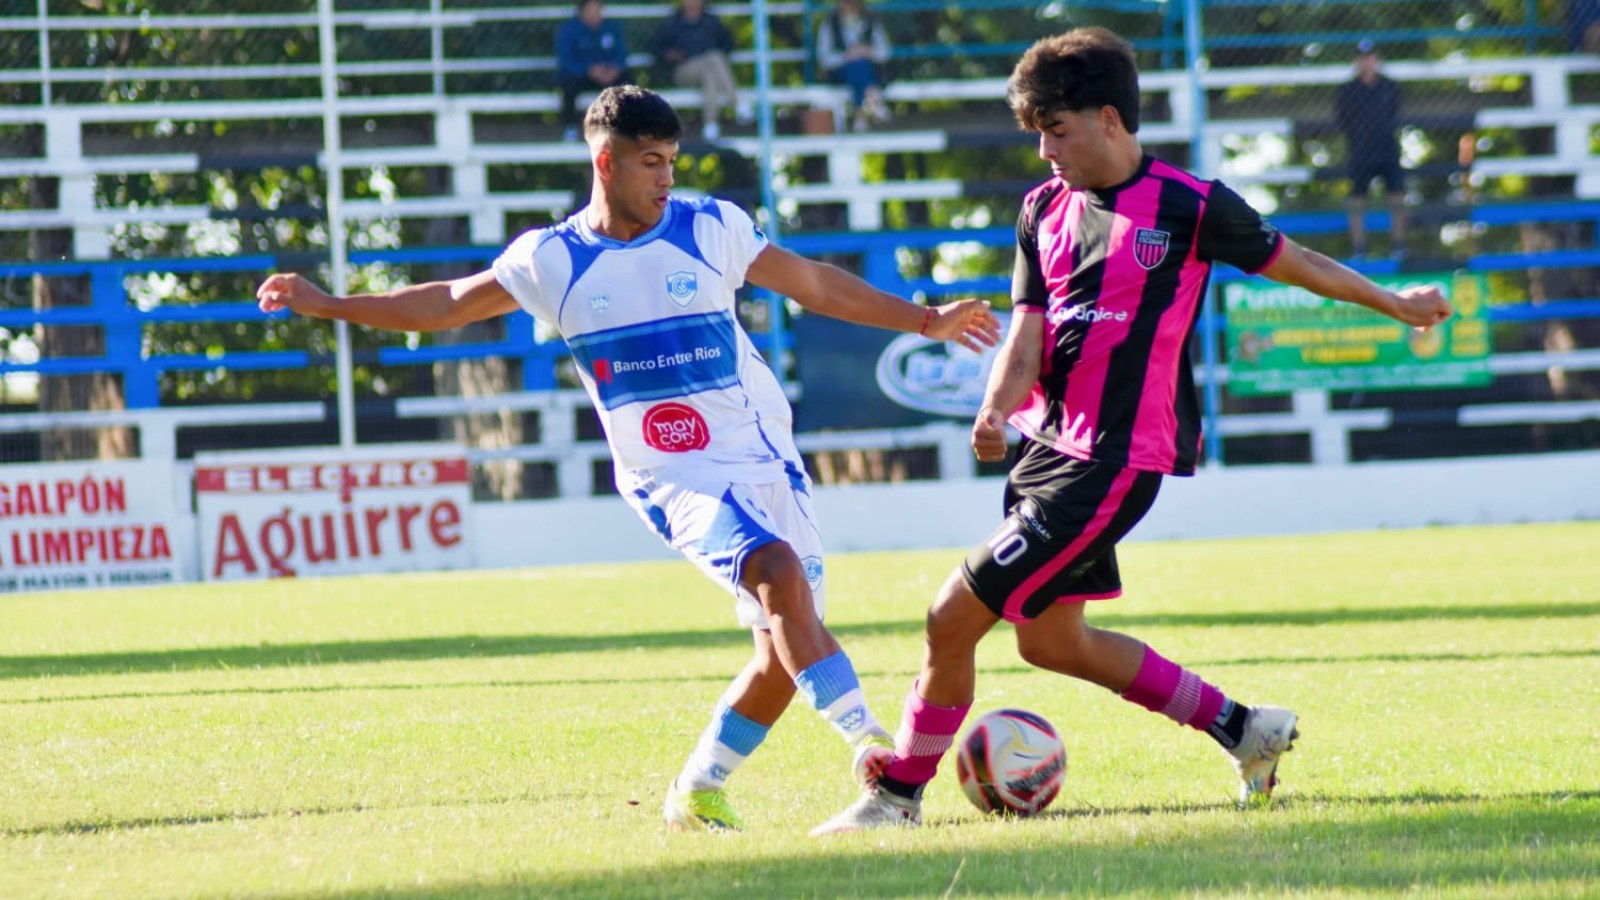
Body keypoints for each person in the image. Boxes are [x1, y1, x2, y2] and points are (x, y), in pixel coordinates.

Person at [256, 85, 1002, 833]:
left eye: (672, 161)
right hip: (671, 475)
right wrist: (329, 304)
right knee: (773, 572)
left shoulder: (711, 227)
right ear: (605, 162)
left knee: (783, 652)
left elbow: (811, 282)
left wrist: (925, 318)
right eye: (652, 162)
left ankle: (696, 791)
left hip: (766, 455)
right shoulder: (552, 259)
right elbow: (447, 302)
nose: (667, 178)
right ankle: (867, 741)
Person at [811, 27, 1453, 834]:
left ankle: (896, 795)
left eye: (1056, 129)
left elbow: (1302, 264)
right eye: (1037, 133)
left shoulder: (1190, 205)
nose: (1045, 150)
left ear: (1108, 118)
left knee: (951, 616)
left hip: (1114, 459)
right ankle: (1243, 728)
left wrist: (1397, 304)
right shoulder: (1042, 208)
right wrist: (996, 406)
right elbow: (1028, 331)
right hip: (1046, 451)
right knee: (1051, 642)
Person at [1336, 39, 1408, 261]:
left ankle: (1398, 245)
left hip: (1387, 148)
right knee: (1357, 198)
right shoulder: (1347, 90)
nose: (1367, 62)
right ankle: (1359, 248)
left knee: (1397, 195)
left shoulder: (1390, 86)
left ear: (1377, 60)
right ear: (1356, 61)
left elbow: (1396, 114)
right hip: (1360, 151)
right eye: (1362, 58)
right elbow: (1343, 121)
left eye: (1371, 57)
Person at [651, 0, 750, 142]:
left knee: (709, 74)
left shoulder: (711, 21)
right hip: (683, 70)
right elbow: (655, 47)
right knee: (714, 57)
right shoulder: (673, 22)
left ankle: (711, 124)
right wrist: (670, 54)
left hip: (709, 70)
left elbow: (729, 43)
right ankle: (737, 103)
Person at [555, 0, 632, 142]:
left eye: (598, 10)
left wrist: (614, 69)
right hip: (582, 76)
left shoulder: (612, 28)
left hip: (608, 75)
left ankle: (628, 127)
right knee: (567, 83)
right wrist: (589, 70)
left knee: (629, 82)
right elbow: (566, 60)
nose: (594, 14)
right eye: (590, 10)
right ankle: (570, 127)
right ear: (581, 12)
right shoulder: (568, 30)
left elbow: (621, 54)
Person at [816, 0, 891, 132]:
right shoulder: (830, 25)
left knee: (860, 65)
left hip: (869, 69)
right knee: (857, 66)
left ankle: (860, 115)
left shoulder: (871, 22)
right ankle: (873, 99)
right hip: (840, 72)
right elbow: (824, 59)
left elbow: (885, 52)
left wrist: (868, 51)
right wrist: (845, 56)